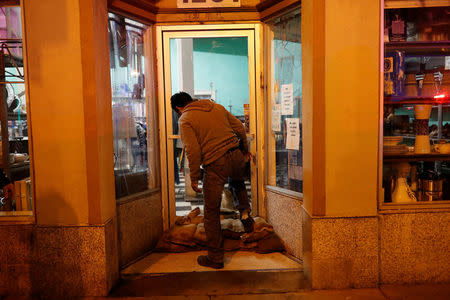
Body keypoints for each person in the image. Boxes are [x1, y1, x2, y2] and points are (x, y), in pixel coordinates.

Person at [171, 92, 254, 269]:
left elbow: (192, 150)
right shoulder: (216, 106)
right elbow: (240, 128)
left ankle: (215, 257)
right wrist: (245, 150)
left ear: (179, 108)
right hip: (236, 155)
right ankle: (245, 214)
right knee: (237, 181)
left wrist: (194, 177)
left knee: (211, 211)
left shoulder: (185, 119)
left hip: (216, 163)